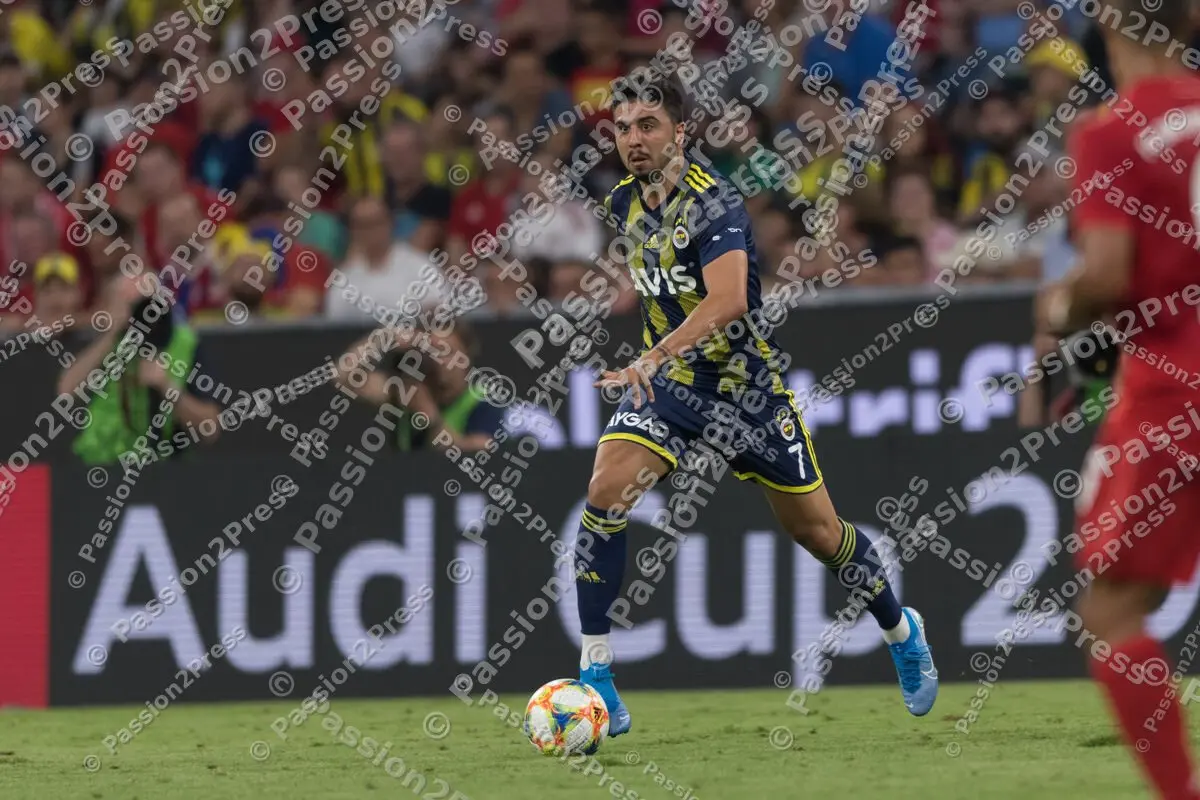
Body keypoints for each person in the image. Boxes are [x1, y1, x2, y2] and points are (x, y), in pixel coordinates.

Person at [576, 76, 939, 737]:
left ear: (679, 133)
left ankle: (899, 629)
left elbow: (727, 302)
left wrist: (652, 354)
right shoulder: (626, 202)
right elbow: (662, 282)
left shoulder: (716, 206)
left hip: (745, 392)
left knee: (819, 535)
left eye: (648, 125)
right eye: (623, 127)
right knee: (604, 495)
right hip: (669, 393)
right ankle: (596, 675)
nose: (632, 139)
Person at [1037, 4, 1200, 797]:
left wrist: (1061, 309)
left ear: (1105, 18)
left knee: (1112, 610)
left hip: (1175, 389)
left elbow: (1104, 274)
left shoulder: (1112, 132)